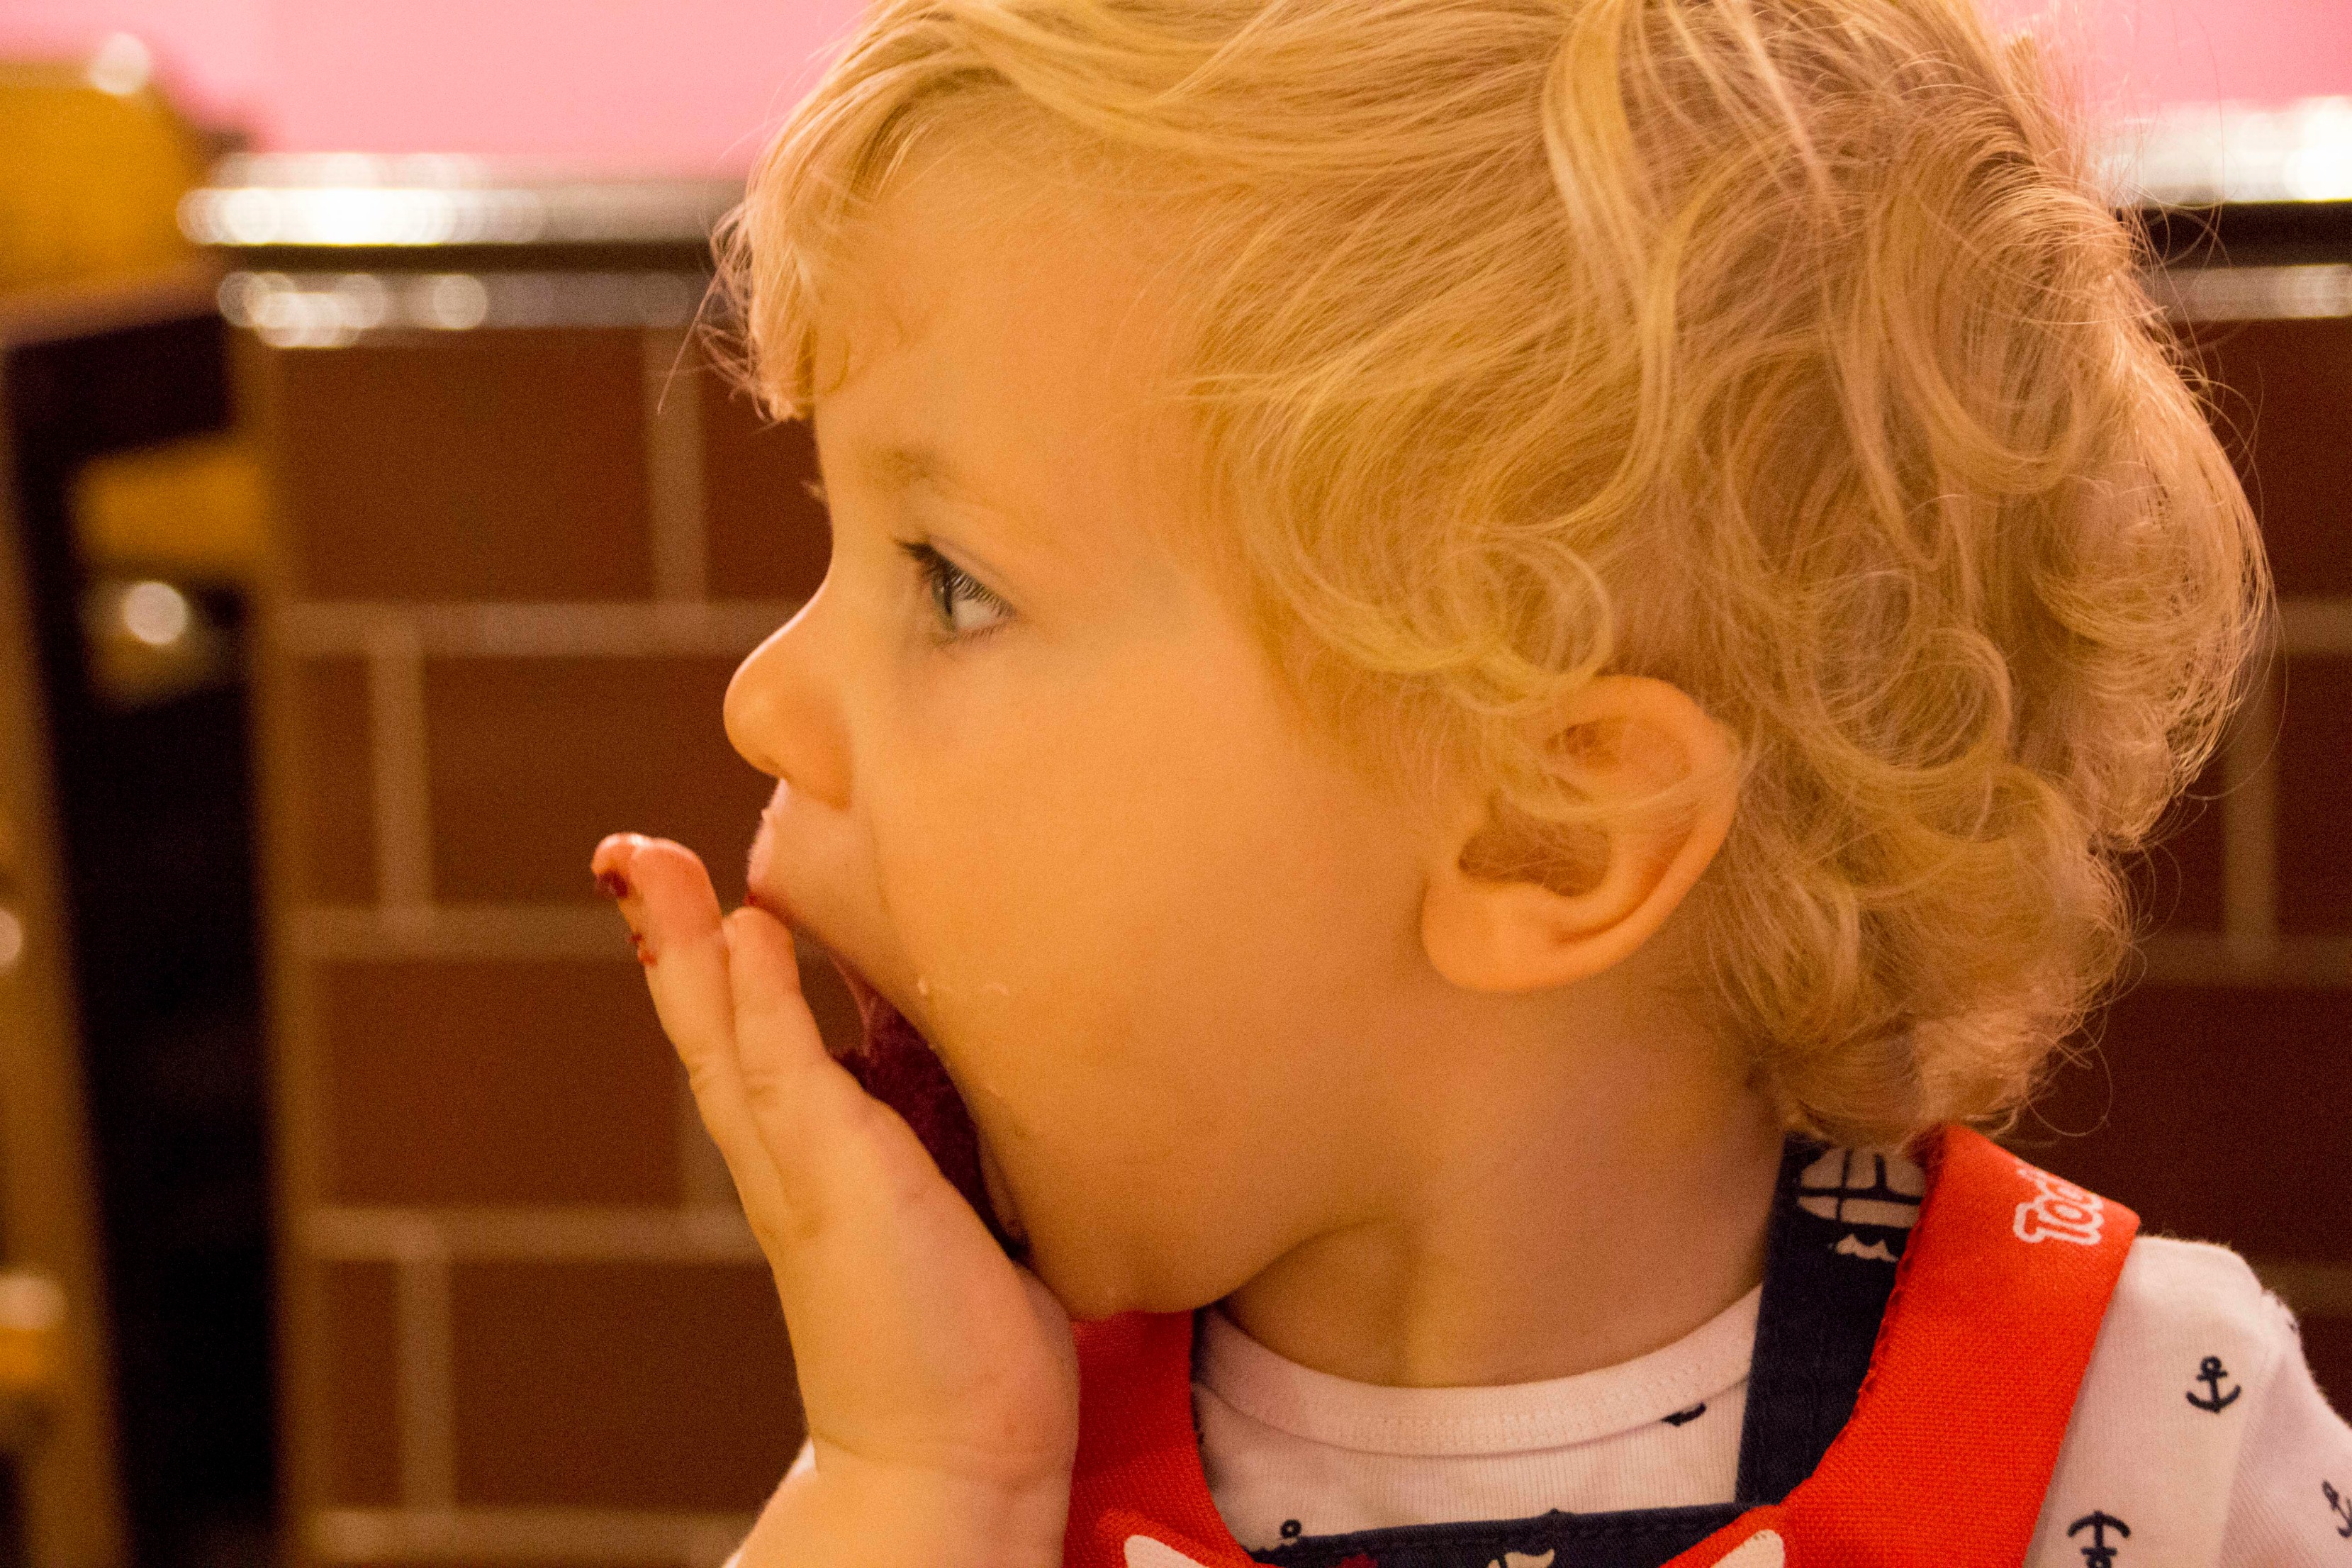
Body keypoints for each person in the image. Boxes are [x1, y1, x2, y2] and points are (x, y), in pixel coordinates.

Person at [588, 0, 2352, 1562]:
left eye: (953, 581)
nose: (768, 699)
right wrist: (911, 1474)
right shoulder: (955, 1429)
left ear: (1549, 828)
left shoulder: (2146, 1446)